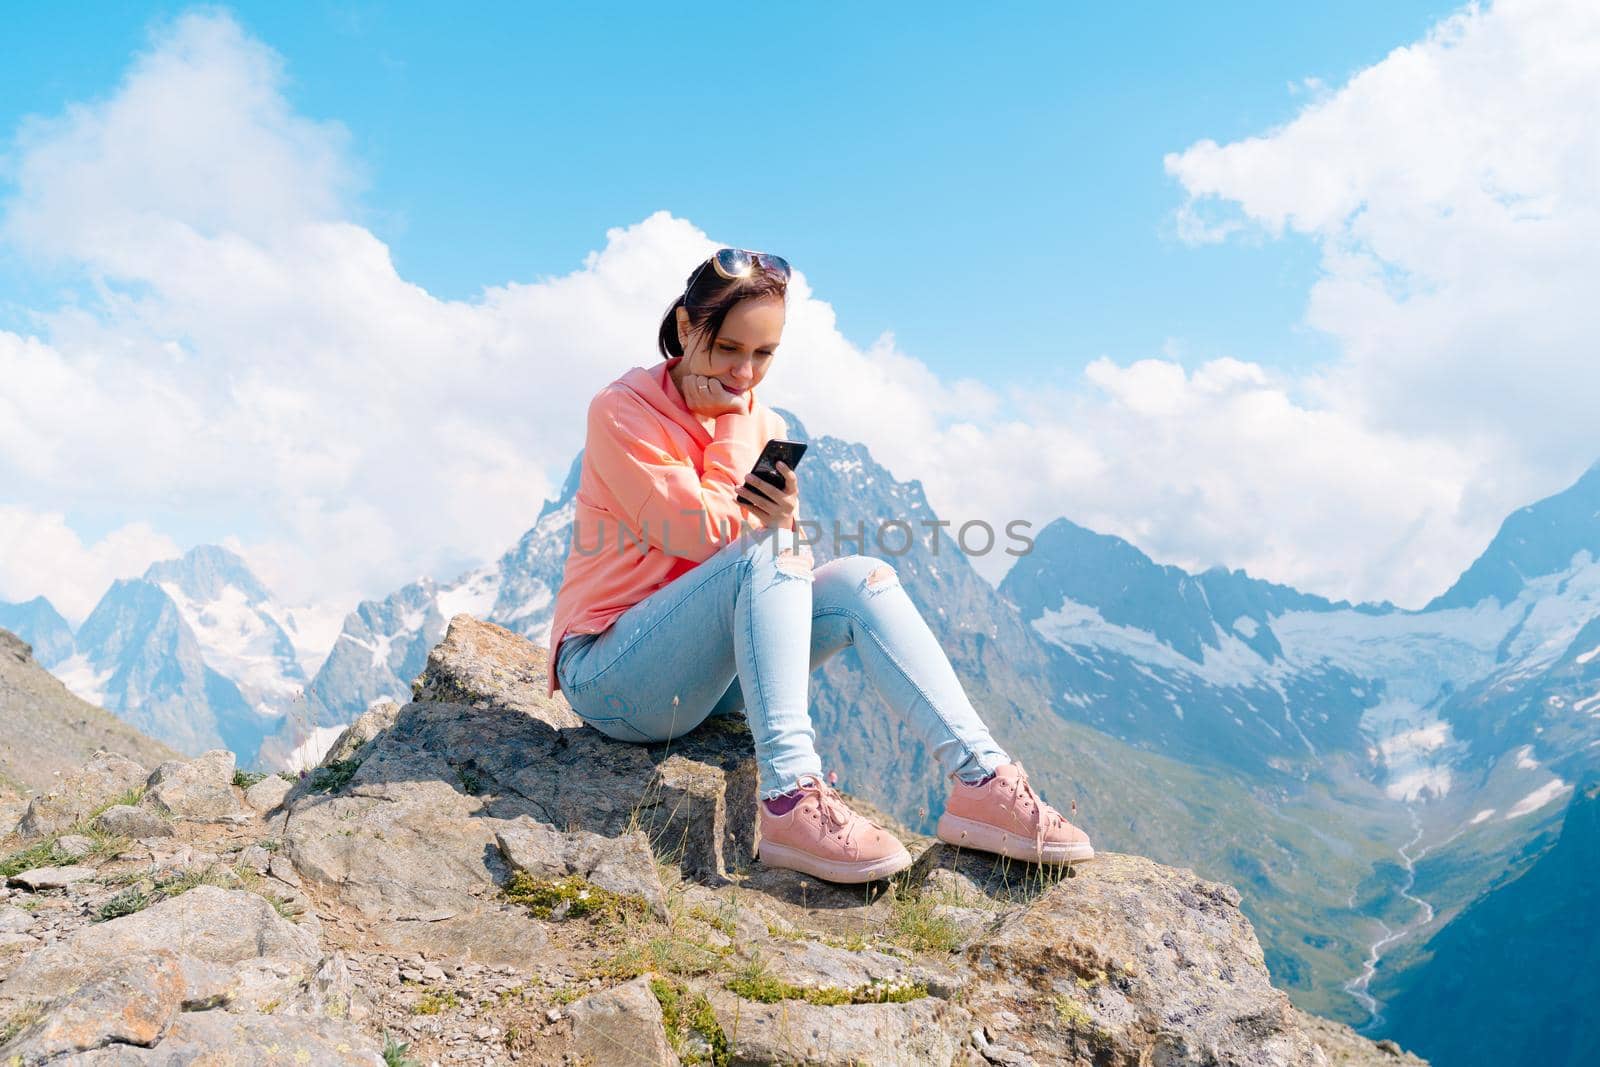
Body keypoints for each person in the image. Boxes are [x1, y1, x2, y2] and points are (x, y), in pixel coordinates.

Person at [545, 247, 1093, 883]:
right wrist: (732, 436)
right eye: (728, 348)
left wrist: (779, 518)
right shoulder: (621, 412)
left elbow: (773, 572)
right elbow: (701, 535)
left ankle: (983, 781)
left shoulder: (758, 418)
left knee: (861, 577)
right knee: (770, 548)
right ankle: (788, 799)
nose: (746, 373)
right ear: (689, 327)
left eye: (764, 354)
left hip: (701, 680)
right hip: (612, 678)